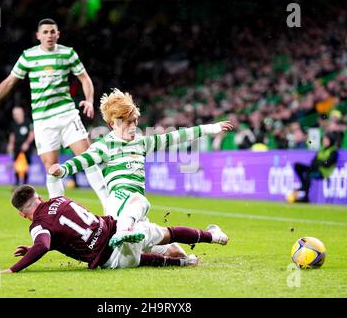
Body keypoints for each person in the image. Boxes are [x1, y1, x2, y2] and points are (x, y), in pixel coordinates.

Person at [48, 88, 233, 253]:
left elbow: (176, 136)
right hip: (118, 204)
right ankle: (123, 231)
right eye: (128, 122)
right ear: (113, 123)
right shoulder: (105, 146)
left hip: (138, 214)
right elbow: (83, 160)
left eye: (135, 121)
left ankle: (213, 236)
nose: (133, 126)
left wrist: (211, 128)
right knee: (139, 201)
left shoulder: (142, 142)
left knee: (177, 254)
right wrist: (62, 170)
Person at [0, 18, 108, 211]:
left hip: (66, 115)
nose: (49, 35)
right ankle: (61, 215)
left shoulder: (68, 53)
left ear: (58, 34)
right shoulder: (28, 57)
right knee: (52, 168)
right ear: (38, 36)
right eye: (45, 32)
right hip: (43, 121)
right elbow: (9, 82)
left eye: (52, 32)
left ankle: (109, 206)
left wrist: (89, 100)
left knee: (88, 159)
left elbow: (85, 78)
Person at [0, 185, 229, 274]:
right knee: (162, 226)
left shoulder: (38, 226)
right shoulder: (61, 199)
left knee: (135, 259)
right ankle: (214, 236)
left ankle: (184, 263)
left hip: (111, 259)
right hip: (112, 229)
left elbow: (45, 243)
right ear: (39, 196)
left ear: (21, 214)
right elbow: (59, 233)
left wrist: (13, 269)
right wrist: (32, 248)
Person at [293, 132, 339, 202]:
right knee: (297, 166)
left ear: (331, 140)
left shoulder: (333, 151)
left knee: (307, 175)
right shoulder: (321, 149)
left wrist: (319, 162)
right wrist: (318, 162)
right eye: (324, 140)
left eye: (326, 140)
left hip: (323, 173)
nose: (324, 141)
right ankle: (303, 186)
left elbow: (328, 163)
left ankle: (305, 197)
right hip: (315, 169)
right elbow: (314, 160)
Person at [7, 106, 35, 187]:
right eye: (14, 114)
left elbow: (31, 134)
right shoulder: (13, 124)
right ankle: (16, 183)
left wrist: (27, 143)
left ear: (22, 113)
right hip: (17, 147)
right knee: (15, 164)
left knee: (26, 165)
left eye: (17, 113)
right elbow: (12, 135)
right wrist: (11, 144)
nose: (15, 115)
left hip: (26, 148)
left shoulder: (28, 122)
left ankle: (25, 183)